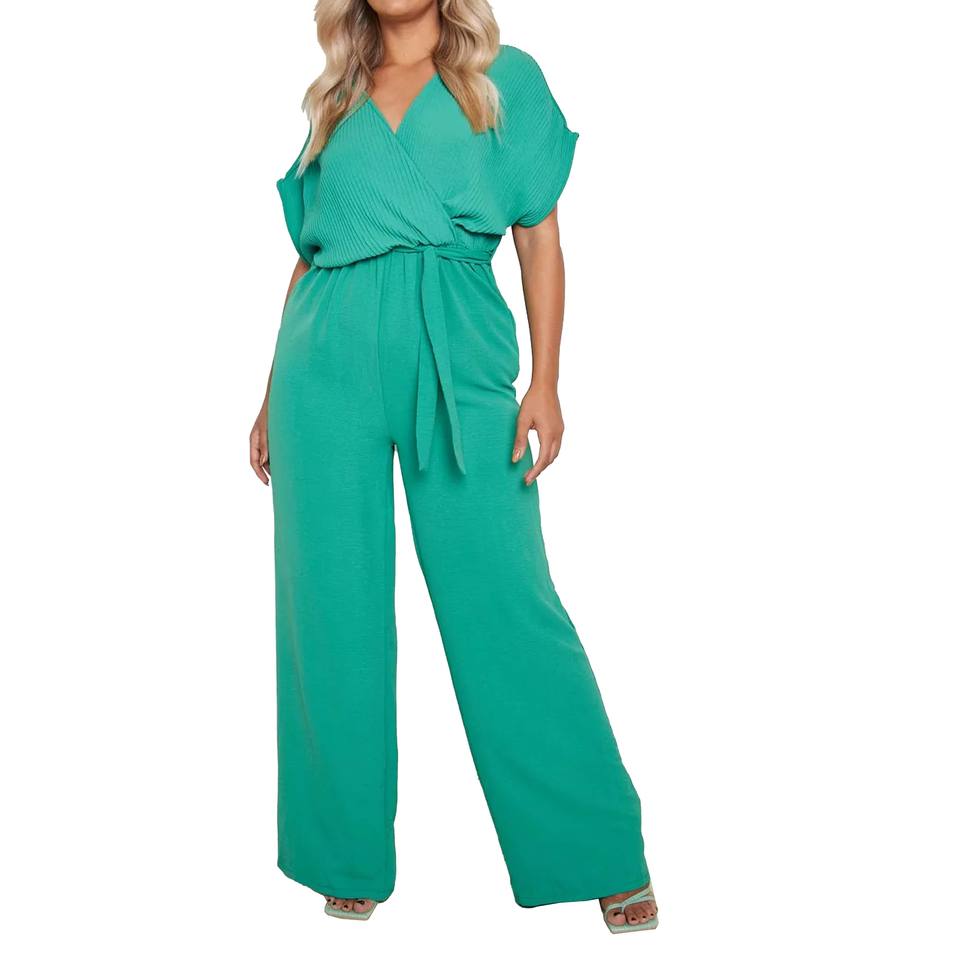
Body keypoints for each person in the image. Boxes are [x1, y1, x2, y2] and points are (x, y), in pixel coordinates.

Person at [249, 0, 658, 934]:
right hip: (324, 361)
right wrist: (271, 392)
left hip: (459, 346)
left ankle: (597, 850)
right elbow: (310, 256)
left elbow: (540, 235)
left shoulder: (505, 80)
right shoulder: (337, 96)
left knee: (505, 600)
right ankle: (343, 853)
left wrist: (546, 382)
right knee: (330, 607)